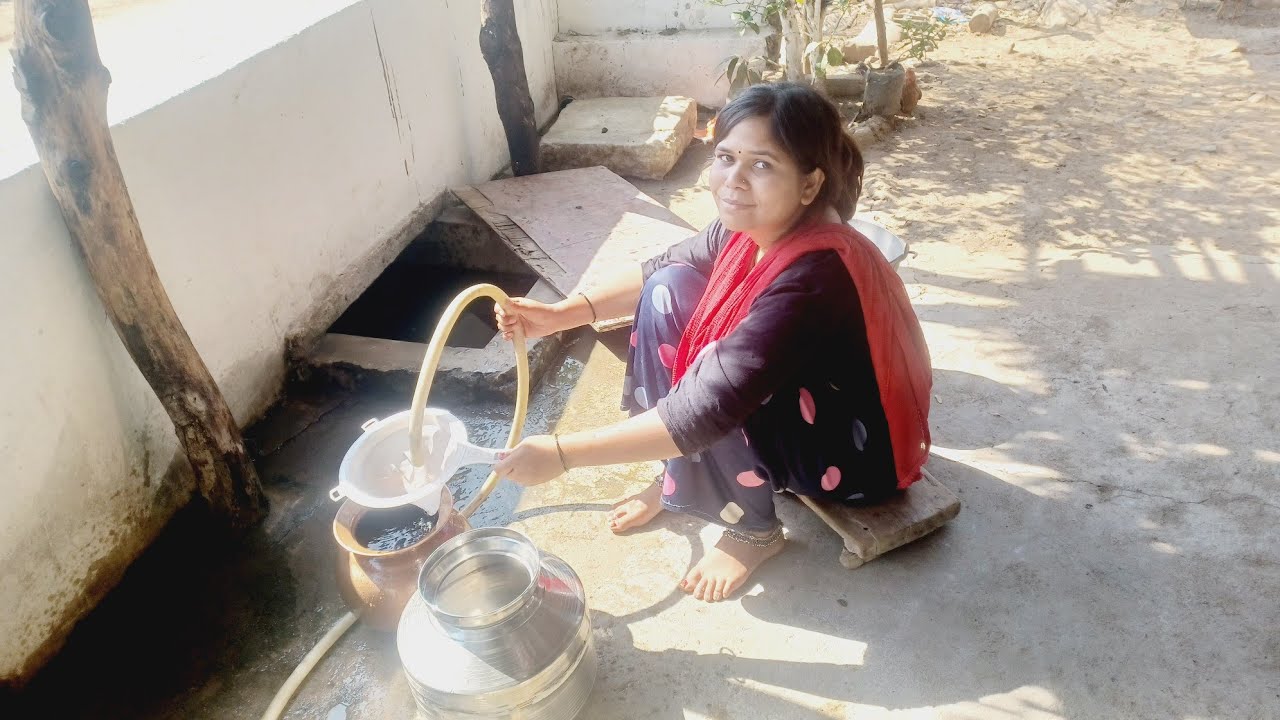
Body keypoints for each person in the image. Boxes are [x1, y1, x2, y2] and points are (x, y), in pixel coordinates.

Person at [492, 82, 933, 603]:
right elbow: (663, 266)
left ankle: (751, 528)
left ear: (810, 184)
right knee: (666, 290)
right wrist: (562, 314)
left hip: (855, 451)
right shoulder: (755, 225)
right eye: (726, 157)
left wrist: (563, 455)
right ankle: (684, 470)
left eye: (762, 165)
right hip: (806, 405)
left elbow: (707, 406)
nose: (733, 181)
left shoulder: (817, 275)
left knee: (719, 373)